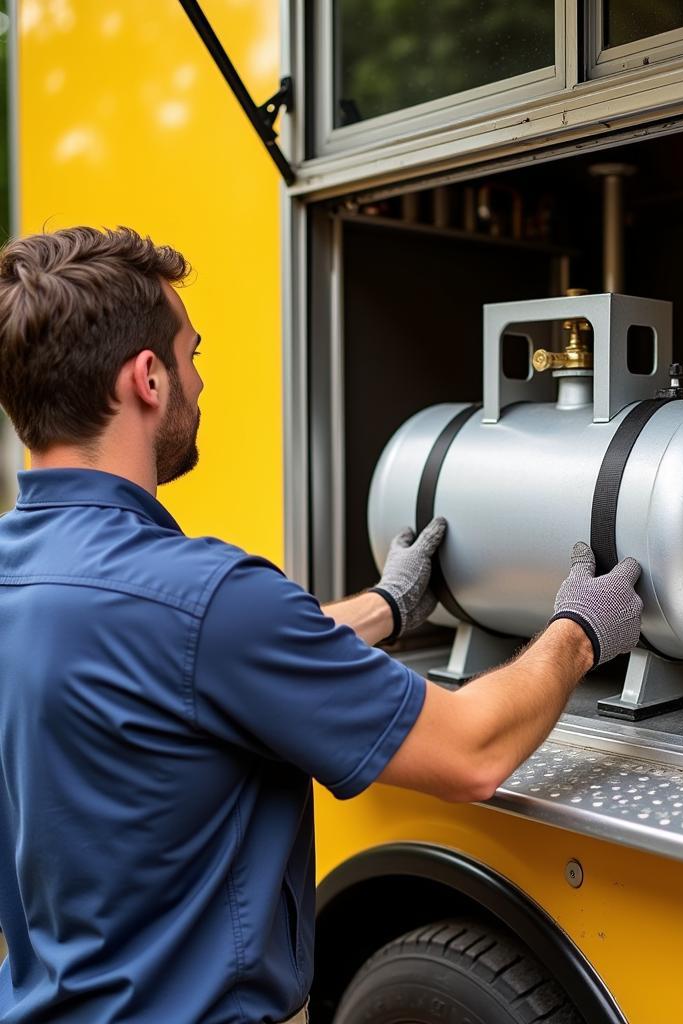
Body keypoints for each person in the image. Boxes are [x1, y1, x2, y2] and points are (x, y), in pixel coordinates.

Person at [0, 226, 644, 1024]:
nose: (200, 381)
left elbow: (172, 665)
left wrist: (387, 606)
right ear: (148, 379)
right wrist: (581, 626)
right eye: (192, 355)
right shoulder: (208, 598)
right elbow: (472, 750)